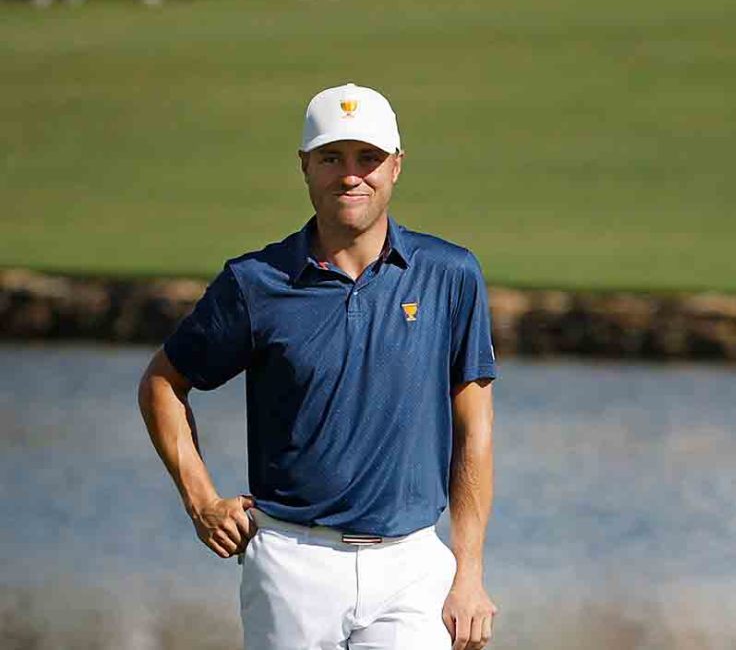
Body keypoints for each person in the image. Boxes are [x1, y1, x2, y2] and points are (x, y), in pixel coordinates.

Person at [138, 83, 498, 650]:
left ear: (396, 167)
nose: (350, 175)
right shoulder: (254, 282)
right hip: (289, 563)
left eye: (368, 158)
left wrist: (470, 573)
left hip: (411, 564)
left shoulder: (450, 274)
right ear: (305, 166)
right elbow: (163, 383)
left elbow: (473, 431)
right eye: (331, 158)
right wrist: (202, 501)